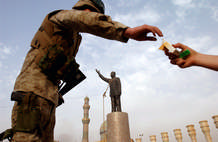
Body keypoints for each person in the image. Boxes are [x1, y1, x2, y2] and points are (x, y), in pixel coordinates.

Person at [9, 0, 163, 141]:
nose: (95, 20)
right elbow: (85, 20)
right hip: (32, 96)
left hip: (48, 98)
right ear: (87, 10)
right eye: (96, 15)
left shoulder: (74, 37)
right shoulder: (60, 17)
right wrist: (126, 31)